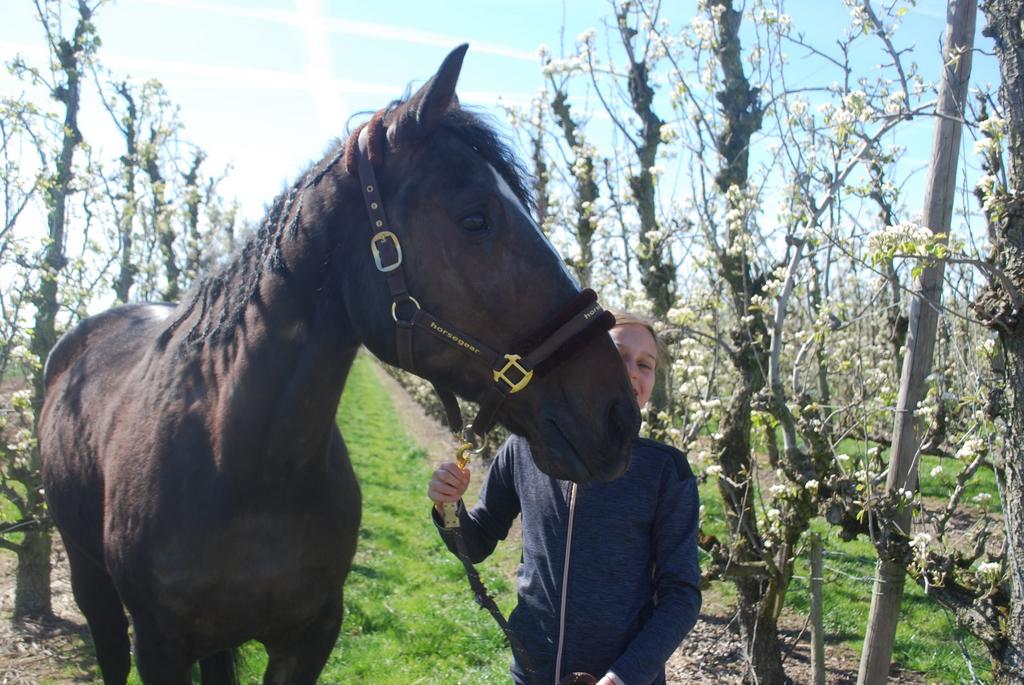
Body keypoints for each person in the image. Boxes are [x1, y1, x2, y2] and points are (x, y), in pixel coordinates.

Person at [429, 311, 701, 685]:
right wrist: (448, 505)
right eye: (618, 355)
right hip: (533, 672)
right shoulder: (525, 448)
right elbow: (475, 544)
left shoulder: (664, 471)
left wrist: (623, 676)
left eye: (645, 364)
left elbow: (681, 595)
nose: (632, 372)